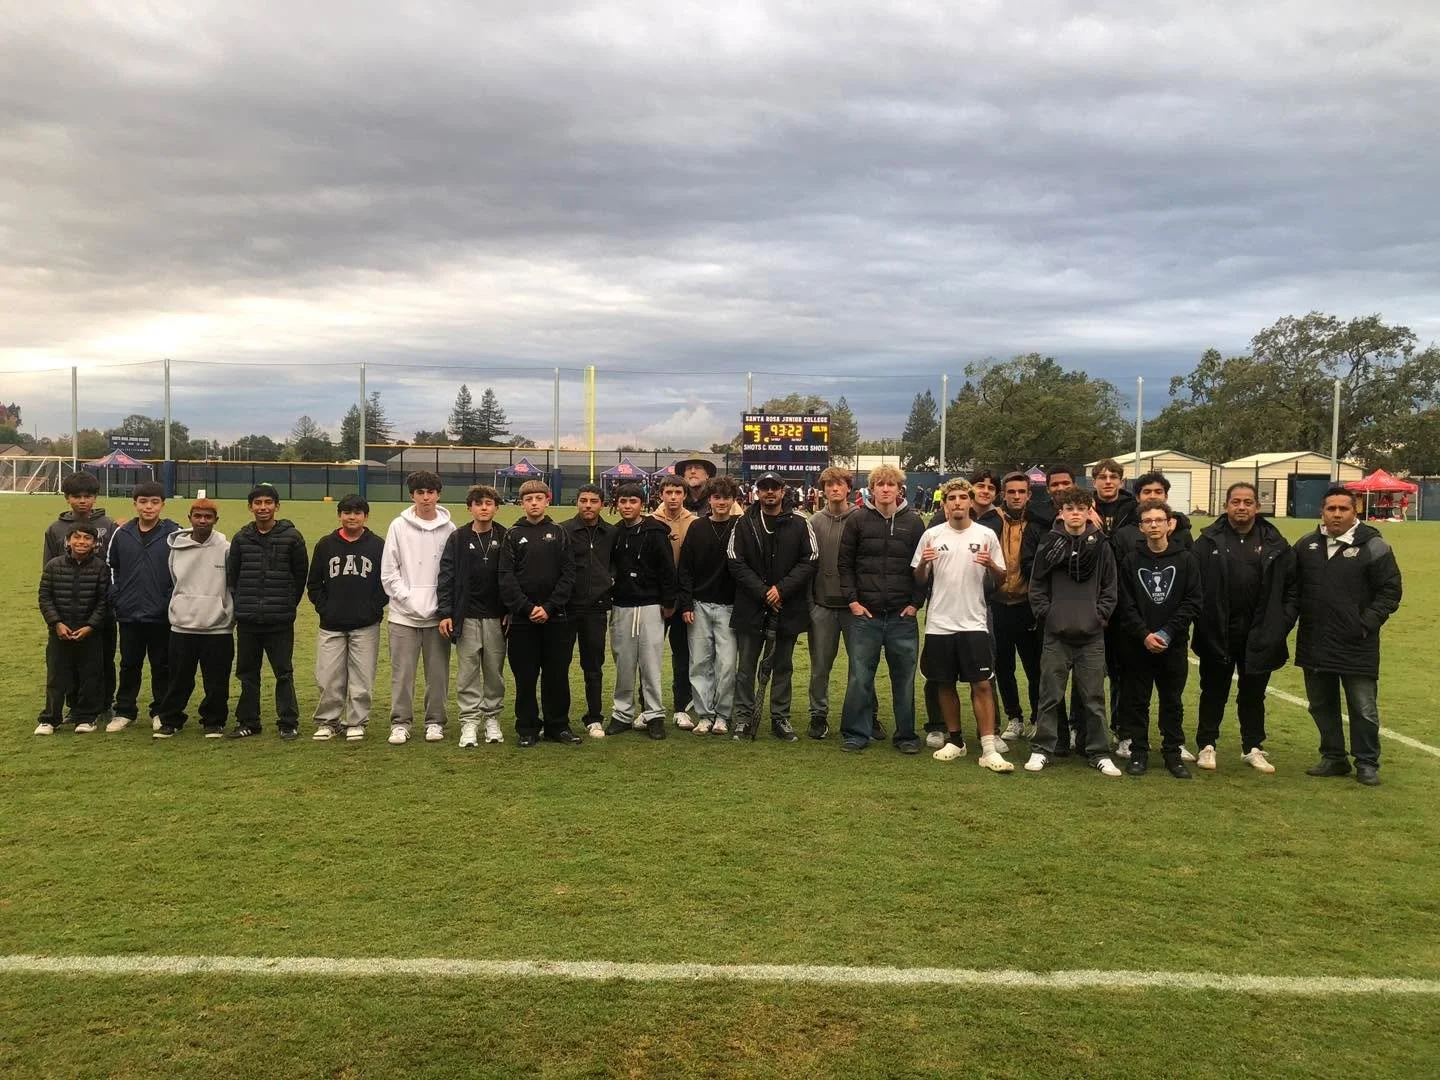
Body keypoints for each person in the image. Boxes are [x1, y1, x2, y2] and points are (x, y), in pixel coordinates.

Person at [1295, 486, 1403, 787]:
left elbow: (1390, 590)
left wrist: (1365, 623)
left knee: (1363, 708)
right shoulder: (1306, 545)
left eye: (1344, 509)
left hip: (1357, 643)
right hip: (1315, 641)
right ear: (1322, 511)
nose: (1337, 514)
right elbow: (1292, 589)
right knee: (1320, 704)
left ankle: (1367, 762)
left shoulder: (1375, 546)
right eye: (1332, 509)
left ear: (1354, 511)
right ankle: (1333, 757)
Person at [1192, 482, 1296, 774]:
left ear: (1257, 507)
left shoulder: (1276, 542)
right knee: (1213, 690)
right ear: (1226, 506)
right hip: (1218, 631)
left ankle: (1252, 747)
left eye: (1247, 502)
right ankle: (1207, 745)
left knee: (1253, 694)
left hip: (1260, 633)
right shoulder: (1207, 541)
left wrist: (1281, 623)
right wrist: (1204, 621)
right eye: (1235, 501)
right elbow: (1194, 586)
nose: (1241, 507)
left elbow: (1292, 590)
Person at [913, 479, 1012, 771]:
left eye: (962, 498)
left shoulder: (986, 535)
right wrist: (923, 565)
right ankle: (955, 740)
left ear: (970, 503)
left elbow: (1002, 578)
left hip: (974, 623)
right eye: (951, 498)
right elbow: (918, 578)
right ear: (944, 505)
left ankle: (989, 747)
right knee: (944, 682)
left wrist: (990, 566)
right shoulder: (931, 535)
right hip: (939, 623)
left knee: (981, 684)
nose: (957, 502)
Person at [1024, 486, 1122, 776]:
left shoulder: (1101, 545)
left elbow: (1110, 588)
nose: (1075, 514)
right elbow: (1036, 587)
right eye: (1070, 509)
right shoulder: (1049, 544)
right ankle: (1042, 749)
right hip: (1056, 634)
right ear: (1061, 512)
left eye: (1081, 508)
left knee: (1093, 697)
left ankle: (1099, 752)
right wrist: (1048, 615)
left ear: (1089, 510)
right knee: (1050, 695)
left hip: (1091, 635)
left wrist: (1098, 616)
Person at [837, 464, 926, 753]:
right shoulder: (857, 520)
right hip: (867, 616)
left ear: (900, 489)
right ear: (871, 488)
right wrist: (852, 601)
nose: (886, 489)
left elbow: (922, 568)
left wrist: (915, 603)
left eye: (891, 485)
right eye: (880, 484)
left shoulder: (913, 523)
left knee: (904, 679)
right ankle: (855, 733)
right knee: (860, 677)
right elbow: (845, 564)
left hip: (902, 616)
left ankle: (906, 736)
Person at [1113, 499, 1203, 778]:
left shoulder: (1186, 559)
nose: (1153, 525)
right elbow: (1125, 604)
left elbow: (1192, 601)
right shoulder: (1131, 560)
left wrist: (1166, 633)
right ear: (1140, 527)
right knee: (1137, 700)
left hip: (1172, 645)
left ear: (1170, 524)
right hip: (1138, 645)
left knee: (1171, 701)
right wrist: (1144, 634)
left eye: (1158, 520)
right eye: (1148, 521)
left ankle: (1172, 753)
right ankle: (1139, 752)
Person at [728, 472, 817, 741]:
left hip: (787, 607)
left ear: (782, 491)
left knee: (783, 666)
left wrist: (782, 589)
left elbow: (810, 559)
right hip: (751, 606)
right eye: (764, 488)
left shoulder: (800, 524)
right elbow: (735, 561)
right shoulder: (744, 523)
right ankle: (743, 718)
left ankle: (781, 718)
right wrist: (764, 591)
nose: (769, 493)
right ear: (757, 492)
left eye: (774, 488)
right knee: (745, 668)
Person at [499, 479, 579, 747]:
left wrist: (549, 607)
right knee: (525, 676)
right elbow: (506, 578)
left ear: (547, 499)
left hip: (557, 618)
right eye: (528, 499)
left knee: (557, 674)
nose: (533, 503)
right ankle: (527, 727)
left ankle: (558, 726)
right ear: (522, 503)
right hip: (523, 621)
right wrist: (527, 607)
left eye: (538, 498)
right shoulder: (512, 534)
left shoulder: (559, 532)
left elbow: (569, 574)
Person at [226, 484, 308, 739]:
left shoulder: (292, 537)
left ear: (277, 506)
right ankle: (249, 722)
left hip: (279, 619)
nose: (263, 507)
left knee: (283, 672)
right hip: (249, 619)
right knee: (248, 674)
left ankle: (288, 722)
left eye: (268, 502)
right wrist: (244, 605)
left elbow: (299, 576)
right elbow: (233, 576)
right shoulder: (241, 538)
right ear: (250, 506)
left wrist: (285, 604)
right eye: (258, 503)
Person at [381, 470, 456, 744]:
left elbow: (452, 573)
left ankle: (435, 721)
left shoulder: (450, 529)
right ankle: (400, 723)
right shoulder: (398, 526)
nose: (426, 498)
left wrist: (440, 608)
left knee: (438, 675)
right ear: (412, 495)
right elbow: (389, 573)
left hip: (437, 619)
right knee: (402, 674)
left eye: (431, 493)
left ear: (438, 495)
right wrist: (410, 601)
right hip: (403, 617)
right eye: (420, 493)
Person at [42, 471, 119, 727]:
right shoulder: (55, 529)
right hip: (67, 609)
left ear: (95, 497)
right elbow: (50, 570)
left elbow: (115, 563)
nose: (83, 501)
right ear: (67, 498)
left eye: (88, 496)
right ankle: (75, 707)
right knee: (69, 663)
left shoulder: (108, 525)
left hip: (99, 608)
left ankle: (104, 704)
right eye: (77, 496)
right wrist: (56, 617)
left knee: (102, 659)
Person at [308, 494, 387, 742]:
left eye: (357, 512)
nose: (352, 517)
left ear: (365, 516)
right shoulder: (325, 544)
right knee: (328, 676)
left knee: (362, 676)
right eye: (347, 512)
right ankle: (328, 721)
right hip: (331, 624)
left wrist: (372, 609)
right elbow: (314, 583)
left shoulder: (377, 545)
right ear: (339, 515)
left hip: (365, 624)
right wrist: (325, 608)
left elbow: (385, 583)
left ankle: (356, 721)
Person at [153, 499, 234, 739]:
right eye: (198, 516)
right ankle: (171, 719)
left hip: (218, 626)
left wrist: (225, 610)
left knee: (216, 680)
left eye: (208, 517)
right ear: (190, 518)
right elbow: (175, 581)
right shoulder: (176, 548)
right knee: (179, 678)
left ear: (215, 520)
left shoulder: (226, 548)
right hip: (182, 625)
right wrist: (181, 607)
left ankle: (213, 721)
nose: (202, 520)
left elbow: (232, 583)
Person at [105, 481, 179, 733]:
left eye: (154, 502)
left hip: (162, 614)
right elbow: (110, 567)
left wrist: (168, 601)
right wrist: (118, 597)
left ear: (163, 504)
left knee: (162, 664)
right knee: (129, 664)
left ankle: (161, 710)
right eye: (143, 502)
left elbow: (181, 571)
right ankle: (124, 711)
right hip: (129, 613)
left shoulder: (174, 533)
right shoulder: (122, 532)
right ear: (135, 504)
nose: (149, 507)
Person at [437, 485, 507, 748]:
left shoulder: (505, 536)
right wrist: (445, 612)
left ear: (496, 508)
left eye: (489, 503)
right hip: (465, 616)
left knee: (493, 671)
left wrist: (509, 609)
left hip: (496, 617)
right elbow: (446, 577)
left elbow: (512, 578)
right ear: (470, 508)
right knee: (467, 671)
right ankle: (469, 722)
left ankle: (492, 719)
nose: (484, 508)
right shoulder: (457, 538)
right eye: (478, 504)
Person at [605, 482, 675, 738]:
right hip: (622, 605)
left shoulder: (655, 532)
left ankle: (654, 715)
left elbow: (668, 570)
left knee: (650, 663)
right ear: (617, 504)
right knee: (623, 662)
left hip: (650, 605)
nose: (627, 506)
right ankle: (622, 713)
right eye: (623, 502)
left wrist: (669, 603)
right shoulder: (614, 533)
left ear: (642, 504)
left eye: (632, 501)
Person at [676, 475, 740, 735]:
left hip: (730, 607)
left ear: (733, 500)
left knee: (726, 664)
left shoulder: (741, 525)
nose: (721, 502)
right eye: (716, 497)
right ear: (709, 500)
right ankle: (704, 714)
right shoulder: (697, 528)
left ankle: (723, 715)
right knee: (700, 663)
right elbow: (686, 569)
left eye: (726, 497)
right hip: (700, 605)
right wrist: (686, 604)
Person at [36, 523, 109, 736]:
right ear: (68, 541)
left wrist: (91, 626)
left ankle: (86, 717)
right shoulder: (53, 565)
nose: (81, 542)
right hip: (60, 632)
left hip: (89, 633)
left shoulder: (100, 568)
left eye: (87, 538)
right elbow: (45, 597)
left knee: (90, 675)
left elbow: (103, 601)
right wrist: (56, 623)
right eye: (77, 537)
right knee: (57, 676)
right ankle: (50, 718)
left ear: (95, 544)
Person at [992, 471, 1047, 744]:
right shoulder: (993, 521)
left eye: (1021, 492)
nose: (1016, 496)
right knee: (1003, 665)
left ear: (1029, 495)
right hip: (998, 603)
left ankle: (1038, 717)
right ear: (1003, 493)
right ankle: (1014, 717)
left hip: (1027, 605)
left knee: (1034, 665)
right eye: (1011, 492)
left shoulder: (1039, 524)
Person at [806, 466, 856, 740]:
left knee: (861, 665)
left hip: (853, 608)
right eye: (829, 485)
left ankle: (864, 714)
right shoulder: (814, 521)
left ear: (848, 488)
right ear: (823, 489)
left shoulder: (861, 519)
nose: (835, 489)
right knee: (820, 666)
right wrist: (811, 603)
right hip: (822, 606)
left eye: (840, 484)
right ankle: (818, 715)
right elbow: (807, 565)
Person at [562, 483, 616, 739]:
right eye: (583, 500)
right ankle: (558, 718)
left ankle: (594, 717)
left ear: (602, 504)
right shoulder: (563, 531)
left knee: (593, 666)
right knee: (558, 665)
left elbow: (616, 564)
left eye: (594, 501)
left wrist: (608, 582)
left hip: (596, 609)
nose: (588, 505)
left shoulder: (611, 533)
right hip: (566, 609)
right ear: (577, 502)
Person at [652, 474, 698, 730]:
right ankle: (649, 705)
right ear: (661, 494)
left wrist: (686, 598)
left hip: (683, 599)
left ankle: (682, 707)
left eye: (677, 493)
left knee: (683, 655)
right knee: (650, 656)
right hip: (655, 600)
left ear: (684, 495)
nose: (673, 497)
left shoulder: (695, 523)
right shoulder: (650, 521)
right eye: (668, 492)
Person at [1110, 472, 1193, 554]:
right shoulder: (1123, 534)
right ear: (1138, 497)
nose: (1152, 496)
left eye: (1158, 492)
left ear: (1166, 497)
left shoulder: (1181, 532)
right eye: (1147, 492)